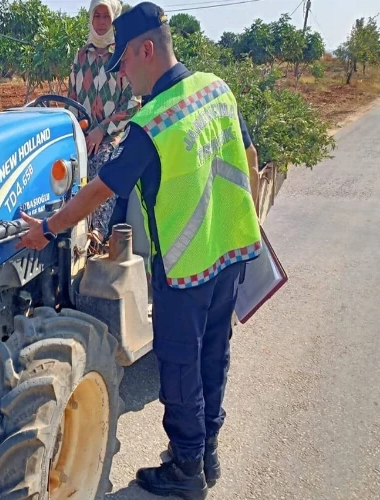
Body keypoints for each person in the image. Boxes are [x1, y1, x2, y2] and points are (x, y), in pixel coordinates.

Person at [16, 3, 262, 499]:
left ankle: (185, 473)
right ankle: (206, 453)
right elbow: (248, 158)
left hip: (186, 269)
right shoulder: (217, 88)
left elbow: (97, 192)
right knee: (215, 356)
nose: (123, 75)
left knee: (180, 367)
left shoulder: (155, 121)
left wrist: (46, 228)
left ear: (146, 49)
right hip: (232, 253)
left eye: (124, 63)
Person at [67, 0, 141, 244]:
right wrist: (77, 128)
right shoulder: (81, 56)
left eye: (105, 17)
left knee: (102, 162)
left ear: (114, 19)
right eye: (96, 16)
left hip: (113, 132)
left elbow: (132, 103)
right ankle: (66, 223)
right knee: (64, 163)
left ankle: (96, 231)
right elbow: (72, 97)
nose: (100, 22)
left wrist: (102, 130)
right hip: (84, 131)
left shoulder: (122, 55)